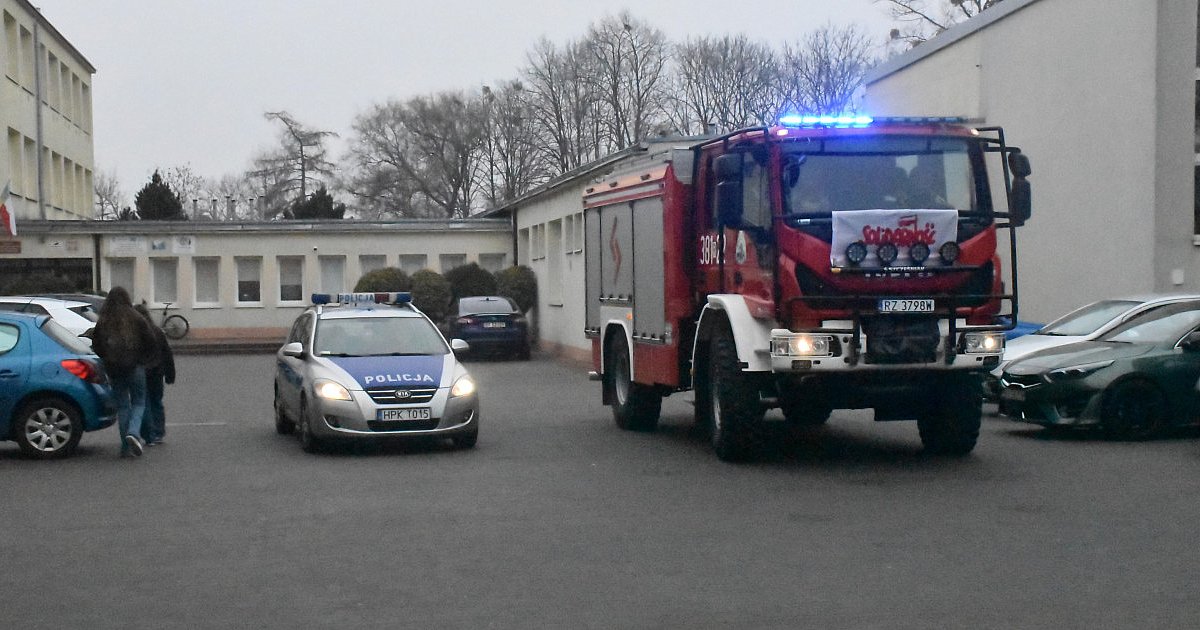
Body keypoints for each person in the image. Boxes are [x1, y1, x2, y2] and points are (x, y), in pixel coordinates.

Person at [90, 287, 158, 458]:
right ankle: (134, 433)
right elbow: (151, 340)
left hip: (113, 368)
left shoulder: (104, 320)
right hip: (135, 366)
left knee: (122, 406)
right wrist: (144, 360)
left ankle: (125, 447)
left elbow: (96, 343)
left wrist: (106, 358)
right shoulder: (136, 317)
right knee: (139, 402)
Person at [135, 303, 175, 446]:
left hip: (141, 372)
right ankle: (159, 432)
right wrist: (170, 374)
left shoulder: (135, 334)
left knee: (143, 403)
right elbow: (167, 354)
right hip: (157, 372)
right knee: (157, 402)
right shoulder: (157, 331)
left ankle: (148, 434)